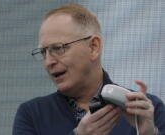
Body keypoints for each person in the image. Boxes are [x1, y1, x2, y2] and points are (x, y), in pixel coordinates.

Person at [13, 4, 165, 135]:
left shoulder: (148, 111)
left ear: (94, 47)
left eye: (58, 48)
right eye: (43, 52)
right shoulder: (31, 114)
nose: (48, 62)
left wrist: (147, 133)